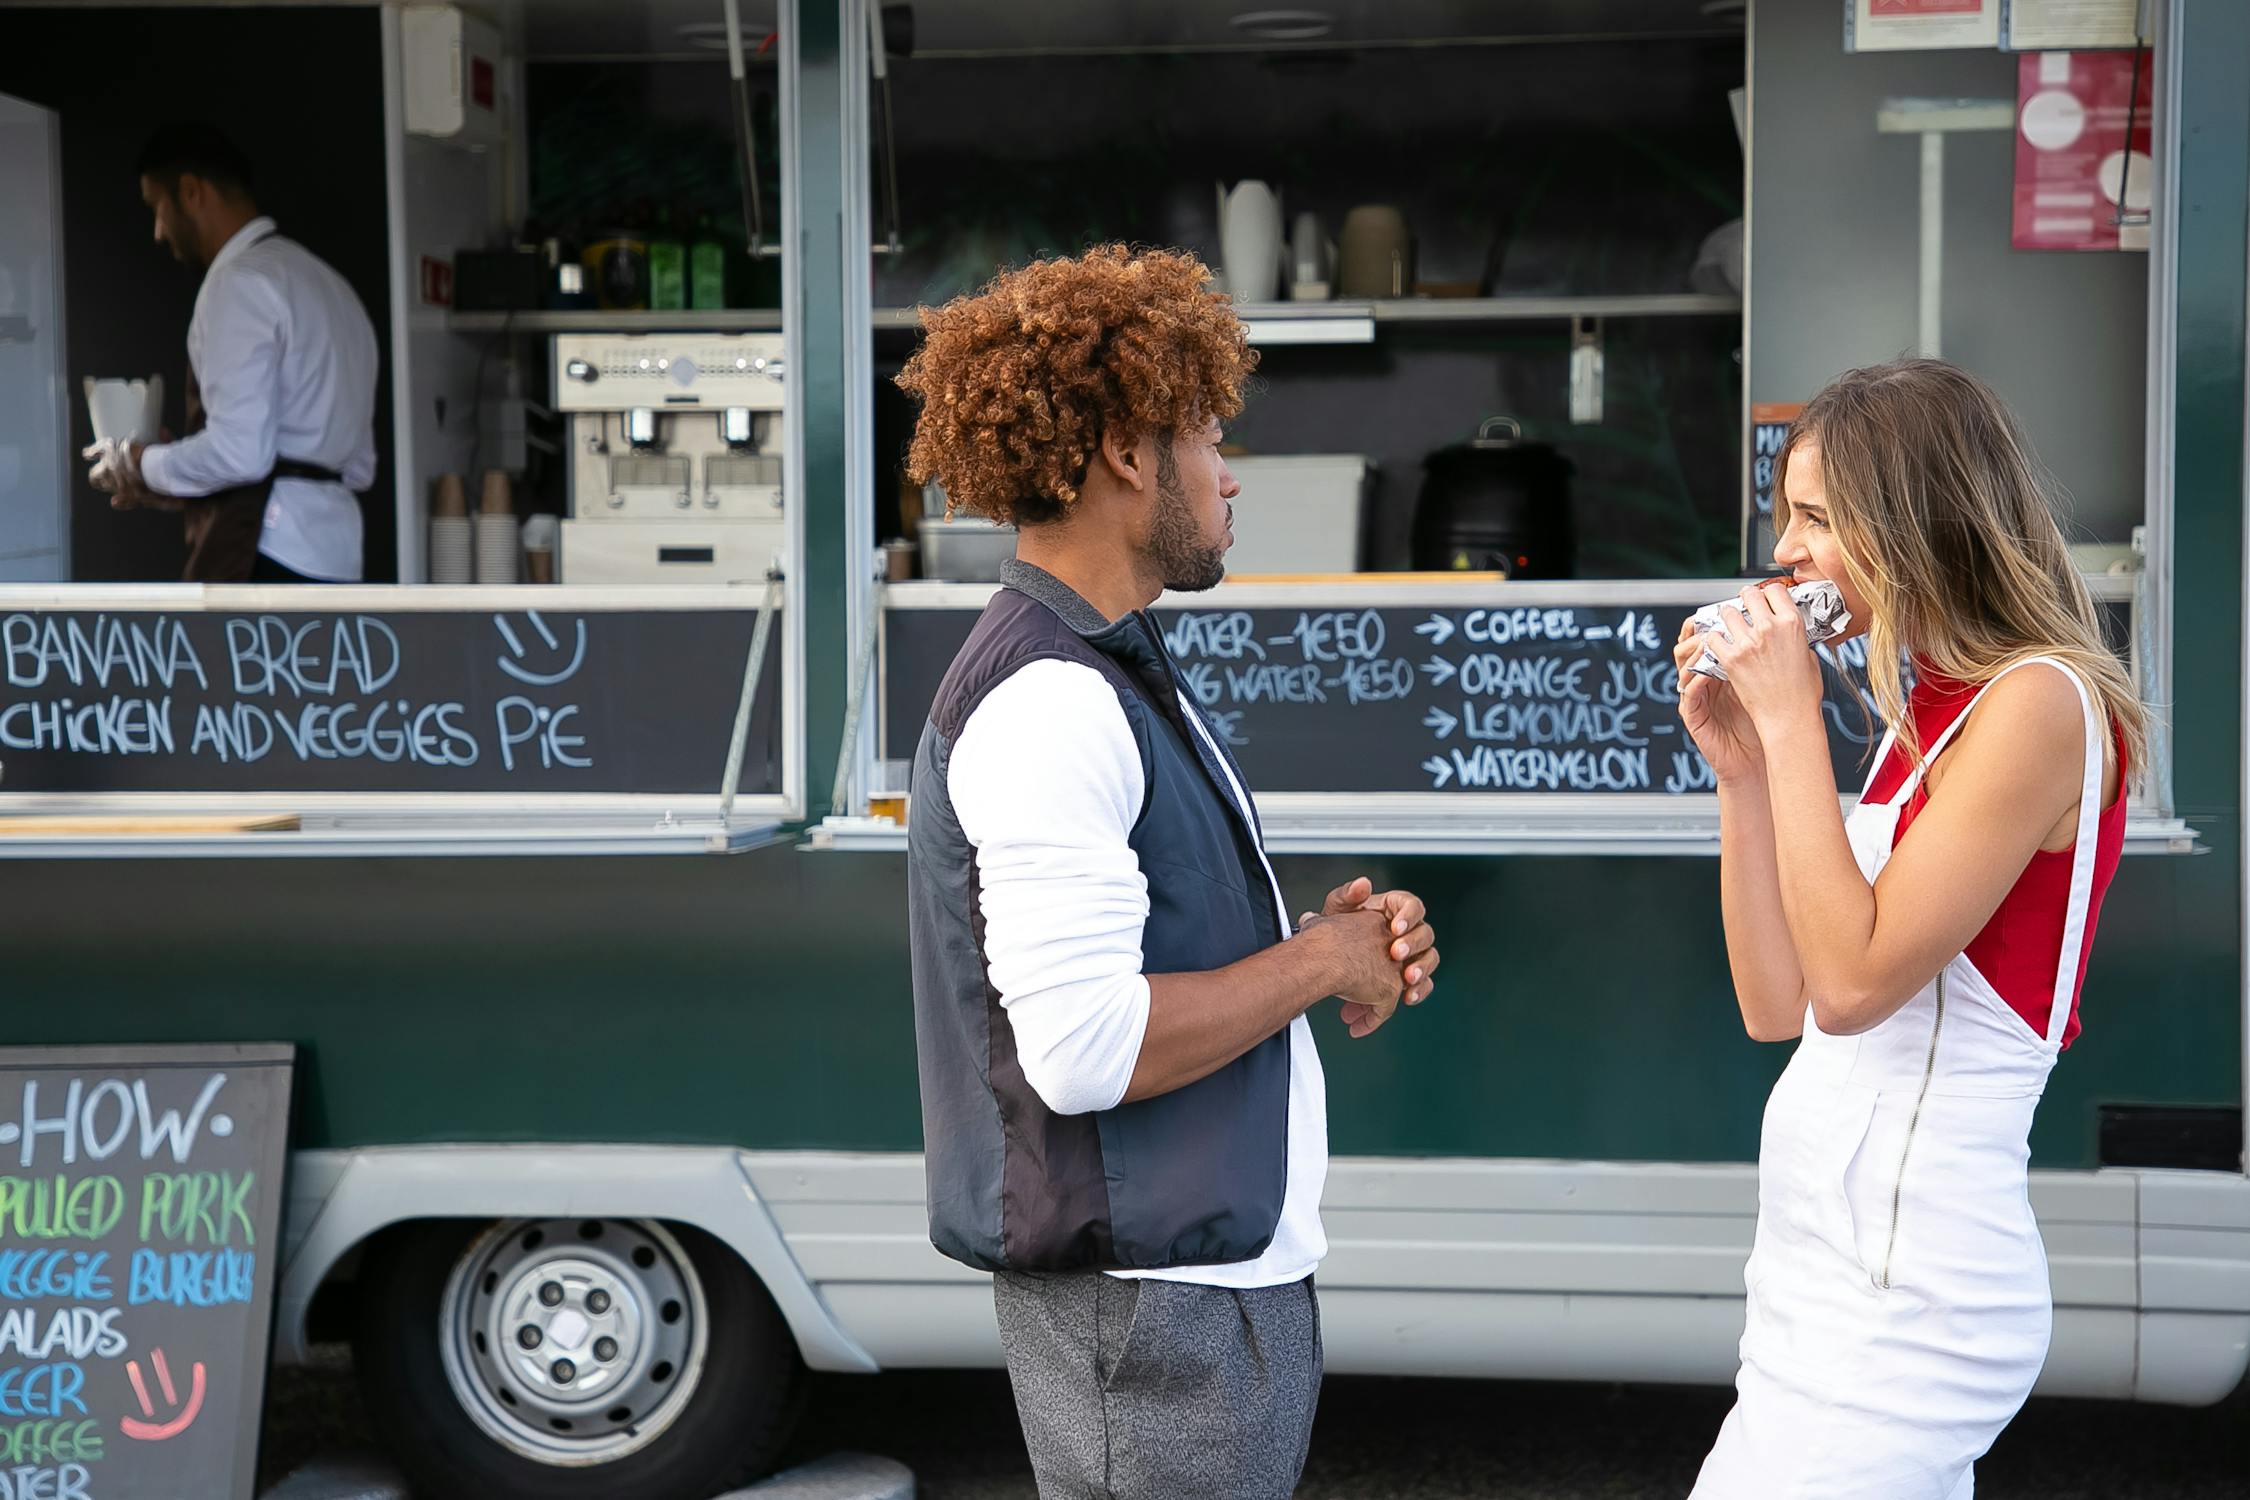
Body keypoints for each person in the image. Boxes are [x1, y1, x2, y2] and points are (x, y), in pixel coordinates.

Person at [898, 245, 1440, 1500]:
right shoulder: (1051, 698)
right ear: (1128, 457)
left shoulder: (1101, 663)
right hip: (1152, 1309)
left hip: (1189, 1289)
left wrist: (1325, 948)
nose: (1227, 472)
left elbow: (1140, 962)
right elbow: (1084, 1048)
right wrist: (1317, 961)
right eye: (1202, 434)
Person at [1679, 359, 2146, 1499]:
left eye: (1816, 520)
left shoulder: (2039, 701)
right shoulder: (1920, 716)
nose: (1784, 553)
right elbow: (1774, 1005)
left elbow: (1853, 985)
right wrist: (1745, 775)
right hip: (1819, 1276)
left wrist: (1793, 727)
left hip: (1911, 1293)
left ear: (1915, 525)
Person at [84, 124, 377, 581]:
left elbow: (243, 455)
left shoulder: (239, 284)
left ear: (190, 192)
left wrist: (140, 462)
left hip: (268, 555)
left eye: (156, 207)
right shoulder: (333, 289)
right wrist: (174, 479)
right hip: (339, 557)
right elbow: (359, 466)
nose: (158, 231)